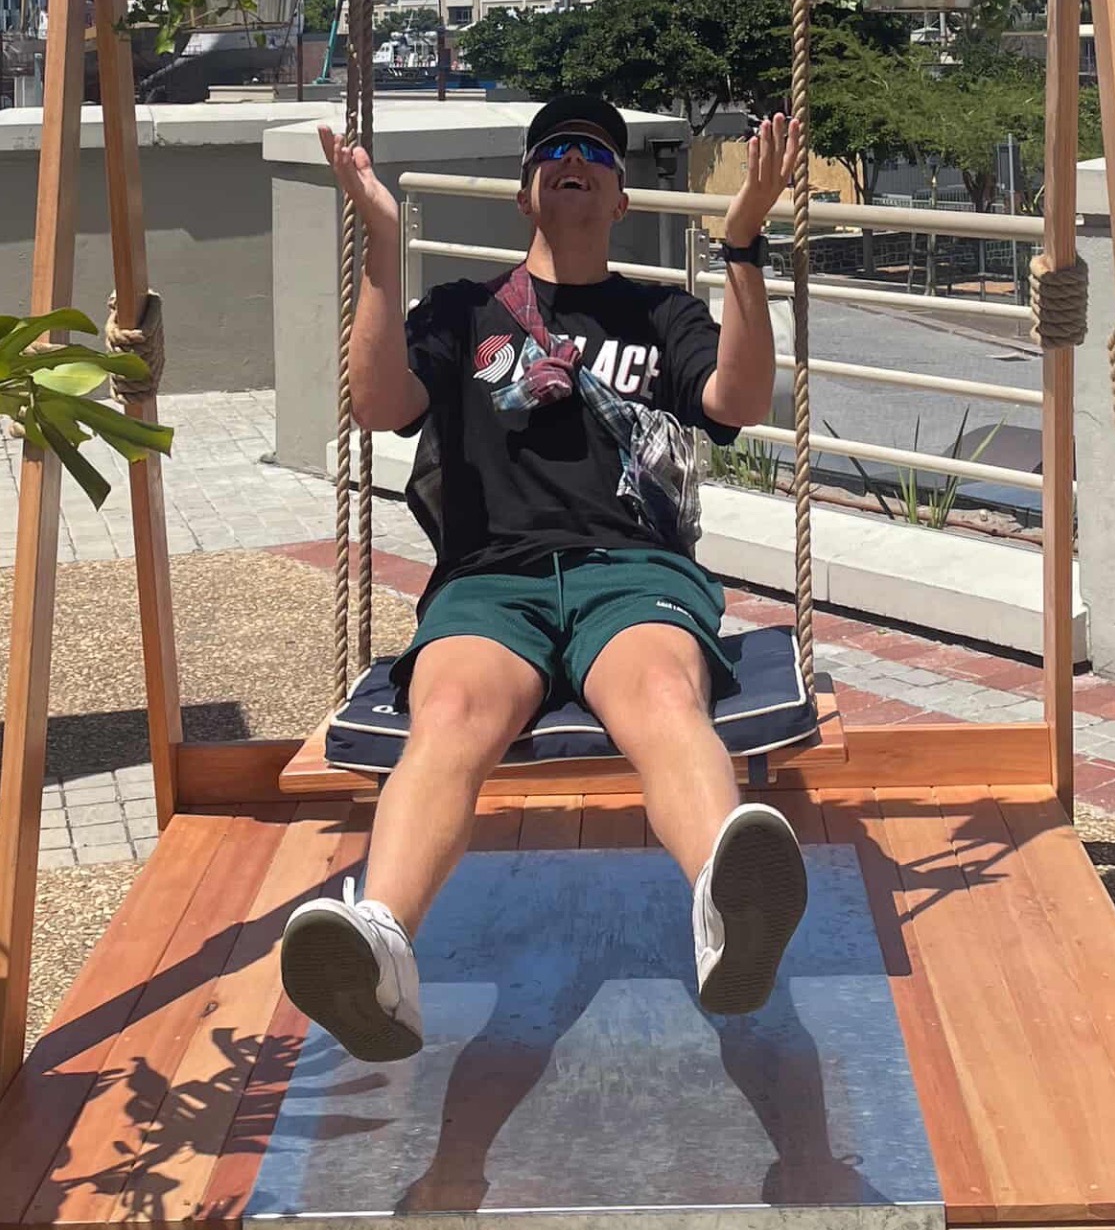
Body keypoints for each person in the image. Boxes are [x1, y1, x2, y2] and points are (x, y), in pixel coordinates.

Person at [281, 93, 809, 1062]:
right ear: (526, 193)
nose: (573, 159)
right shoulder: (462, 310)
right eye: (553, 149)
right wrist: (383, 248)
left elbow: (736, 398)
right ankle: (381, 948)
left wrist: (741, 246)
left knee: (660, 692)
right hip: (492, 577)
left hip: (630, 571)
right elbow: (380, 403)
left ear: (619, 199)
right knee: (449, 713)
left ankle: (727, 912)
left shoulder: (660, 313)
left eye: (596, 153)